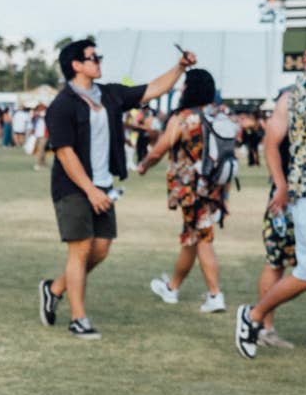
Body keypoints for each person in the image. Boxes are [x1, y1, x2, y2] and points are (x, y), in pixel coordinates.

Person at [38, 38, 196, 340]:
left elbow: (152, 89)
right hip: (73, 187)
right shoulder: (62, 105)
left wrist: (180, 68)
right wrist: (90, 190)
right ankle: (78, 319)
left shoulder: (109, 94)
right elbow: (64, 153)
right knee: (81, 248)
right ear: (76, 66)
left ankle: (55, 288)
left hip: (104, 185)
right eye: (92, 57)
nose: (99, 60)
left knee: (100, 249)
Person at [236, 35, 306, 358]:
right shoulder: (305, 86)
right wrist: (280, 185)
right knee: (297, 267)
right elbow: (273, 142)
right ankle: (256, 317)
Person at [139, 68, 230, 313]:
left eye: (184, 85)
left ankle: (215, 295)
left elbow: (160, 149)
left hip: (191, 189)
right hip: (213, 187)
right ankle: (172, 288)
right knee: (190, 238)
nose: (181, 89)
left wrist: (144, 165)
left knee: (202, 238)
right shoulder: (218, 115)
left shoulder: (184, 118)